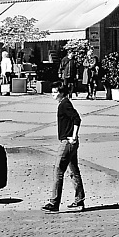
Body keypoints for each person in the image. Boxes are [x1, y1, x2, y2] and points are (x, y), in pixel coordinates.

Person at [41, 83, 86, 212]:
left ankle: (54, 202)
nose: (53, 95)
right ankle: (79, 200)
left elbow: (77, 119)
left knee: (58, 170)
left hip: (67, 142)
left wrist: (74, 136)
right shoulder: (65, 103)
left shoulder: (64, 104)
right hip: (69, 142)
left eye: (55, 92)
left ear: (61, 92)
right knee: (73, 171)